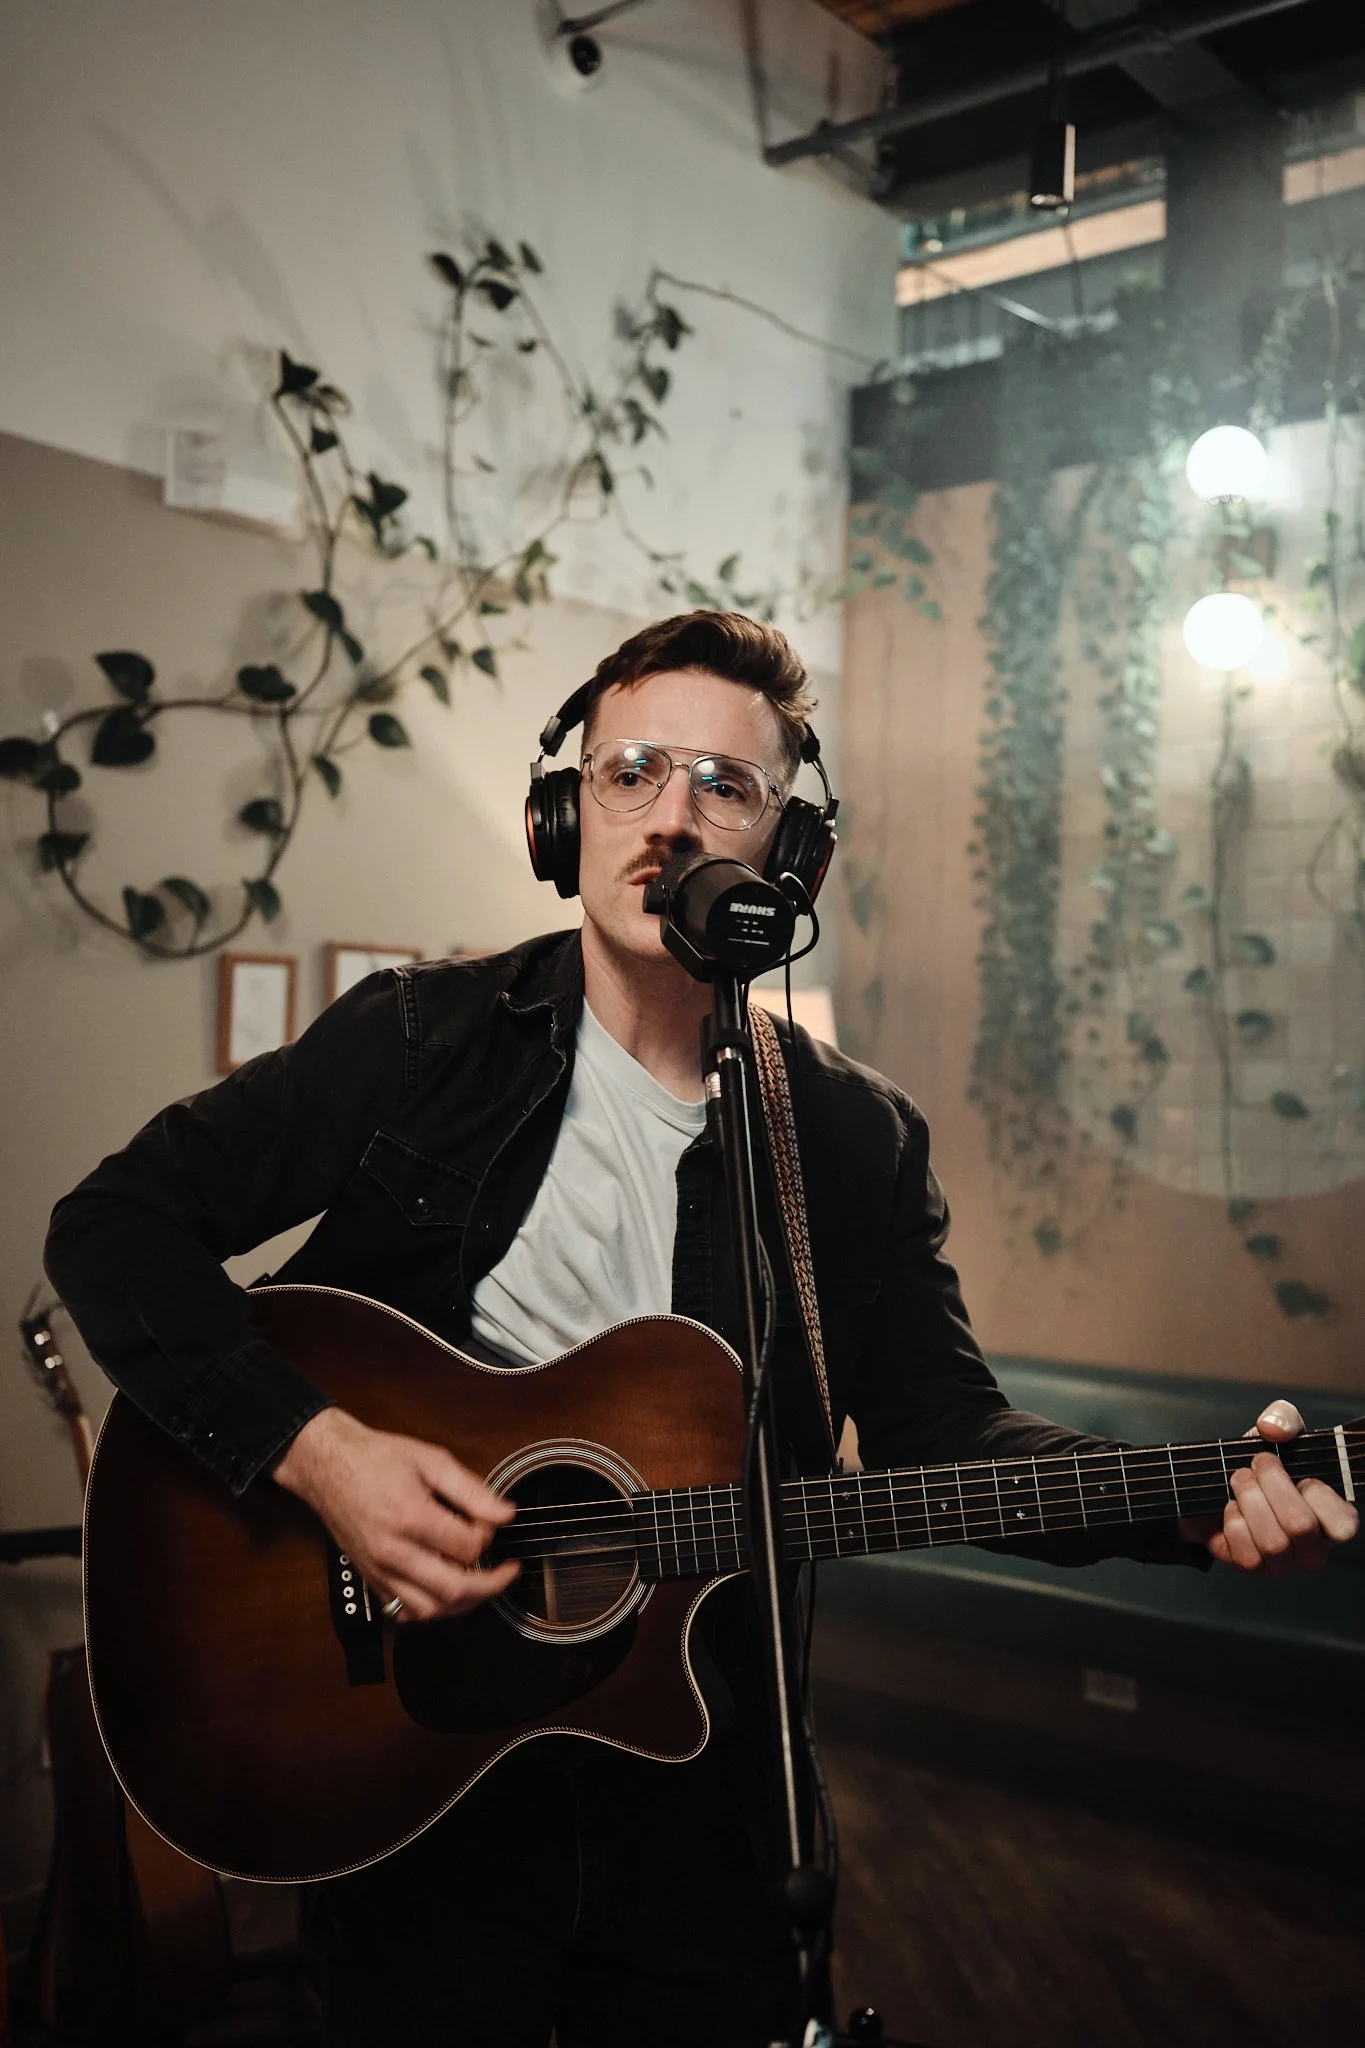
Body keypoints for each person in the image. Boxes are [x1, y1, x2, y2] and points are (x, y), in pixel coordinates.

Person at [45, 611, 1359, 2047]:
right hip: (412, 1766)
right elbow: (112, 1230)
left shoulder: (852, 1141)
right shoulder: (418, 1040)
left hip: (709, 1801)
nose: (670, 818)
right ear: (567, 810)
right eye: (633, 772)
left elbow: (947, 1432)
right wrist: (320, 1452)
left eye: (723, 786)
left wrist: (1189, 1500)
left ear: (787, 850)